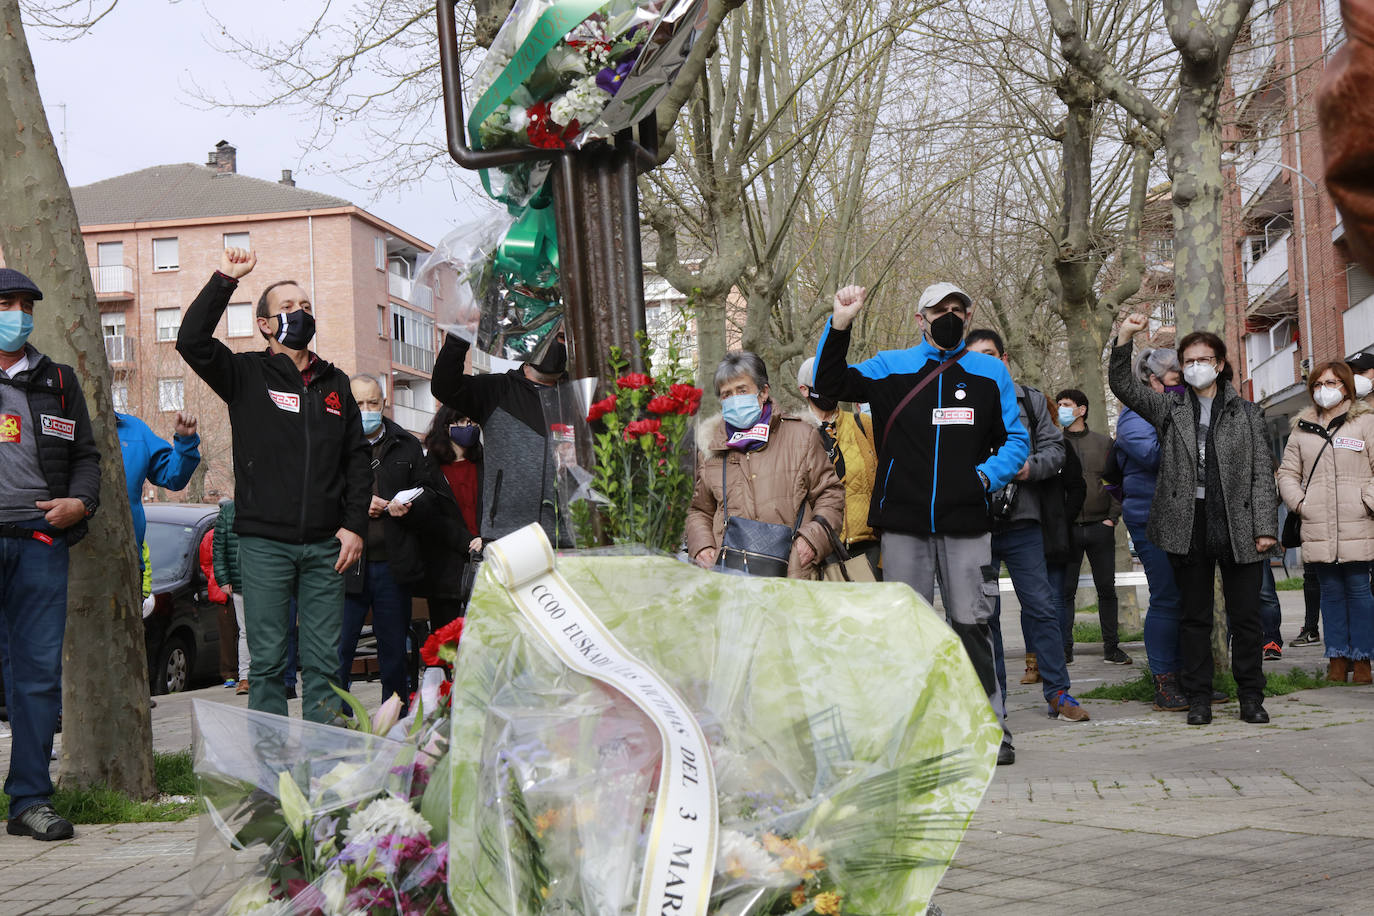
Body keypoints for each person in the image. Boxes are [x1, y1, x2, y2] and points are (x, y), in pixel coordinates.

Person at [813, 283, 1031, 764]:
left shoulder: (990, 372)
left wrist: (982, 478)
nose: (948, 316)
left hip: (966, 522)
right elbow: (828, 387)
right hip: (904, 522)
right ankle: (907, 736)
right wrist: (841, 322)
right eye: (938, 310)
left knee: (972, 623)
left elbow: (1016, 440)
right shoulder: (891, 365)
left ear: (969, 316)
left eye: (957, 309)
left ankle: (990, 728)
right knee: (905, 630)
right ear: (920, 318)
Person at [176, 247, 369, 724]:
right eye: (287, 309)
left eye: (305, 307)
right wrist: (227, 279)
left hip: (328, 546)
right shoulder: (245, 374)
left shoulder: (335, 383)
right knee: (266, 665)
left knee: (324, 666)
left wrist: (354, 526)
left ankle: (324, 774)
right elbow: (191, 340)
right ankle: (269, 774)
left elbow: (358, 460)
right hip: (264, 544)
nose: (299, 314)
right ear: (264, 324)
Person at [1110, 313, 1277, 726]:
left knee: (1246, 617)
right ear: (1181, 368)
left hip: (1238, 524)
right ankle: (1198, 698)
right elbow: (1124, 387)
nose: (1196, 365)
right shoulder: (1170, 408)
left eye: (1204, 358)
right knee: (1194, 616)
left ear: (1220, 363)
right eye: (1188, 360)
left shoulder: (1248, 414)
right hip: (1188, 522)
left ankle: (1251, 697)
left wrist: (1264, 528)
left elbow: (1261, 474)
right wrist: (1124, 339)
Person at [0, 268, 100, 841]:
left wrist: (81, 502)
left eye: (24, 305)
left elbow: (86, 455)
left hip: (40, 541)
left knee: (38, 679)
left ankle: (29, 800)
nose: (17, 314)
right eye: (6, 303)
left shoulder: (57, 380)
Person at [965, 330, 1089, 731]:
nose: (982, 362)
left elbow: (1057, 452)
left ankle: (1058, 692)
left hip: (1023, 522)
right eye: (973, 357)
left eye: (989, 355)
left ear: (1005, 357)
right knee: (985, 617)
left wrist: (1027, 467)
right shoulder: (956, 399)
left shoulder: (1031, 400)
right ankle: (993, 699)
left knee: (1041, 608)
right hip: (975, 524)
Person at [686, 351, 843, 579]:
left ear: (763, 392)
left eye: (742, 390)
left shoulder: (801, 436)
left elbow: (831, 494)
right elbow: (699, 510)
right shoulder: (712, 450)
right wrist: (702, 547)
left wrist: (811, 541)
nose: (735, 399)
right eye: (726, 394)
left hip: (794, 576)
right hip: (731, 580)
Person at [337, 375, 435, 706]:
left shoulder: (406, 444)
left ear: (384, 403)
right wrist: (357, 505)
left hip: (394, 565)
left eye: (372, 403)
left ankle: (395, 720)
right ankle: (335, 715)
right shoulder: (334, 443)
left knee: (394, 651)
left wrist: (407, 505)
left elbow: (429, 494)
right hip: (346, 565)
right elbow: (319, 497)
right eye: (359, 403)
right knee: (339, 649)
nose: (366, 410)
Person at [1276, 361, 1374, 685]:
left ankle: (1362, 660)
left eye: (1330, 382)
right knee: (1330, 593)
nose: (1323, 389)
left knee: (1360, 592)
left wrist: (1366, 502)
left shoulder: (1366, 423)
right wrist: (1301, 504)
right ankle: (1336, 657)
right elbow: (1287, 473)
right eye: (1317, 383)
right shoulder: (1302, 428)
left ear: (1346, 386)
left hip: (1357, 523)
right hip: (1317, 525)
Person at [431, 329, 576, 547]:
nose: (555, 344)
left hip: (569, 540)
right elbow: (445, 386)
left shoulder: (580, 396)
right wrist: (460, 334)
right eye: (548, 334)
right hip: (506, 537)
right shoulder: (498, 389)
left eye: (562, 338)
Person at [1114, 347, 1188, 710]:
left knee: (1186, 598)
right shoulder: (1133, 417)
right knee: (1167, 596)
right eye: (1175, 381)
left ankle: (1189, 677)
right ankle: (1164, 681)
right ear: (1153, 381)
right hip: (1150, 515)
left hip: (1185, 513)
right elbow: (1158, 457)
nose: (1182, 388)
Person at [1053, 387, 1130, 665]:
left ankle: (1112, 648)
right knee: (1065, 592)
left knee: (1106, 589)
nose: (1061, 408)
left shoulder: (1104, 444)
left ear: (1082, 410)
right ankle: (1064, 649)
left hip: (1100, 526)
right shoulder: (1053, 444)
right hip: (1067, 529)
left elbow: (1116, 483)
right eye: (1058, 404)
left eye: (1066, 404)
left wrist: (1112, 517)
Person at [795, 357, 880, 574]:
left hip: (866, 546)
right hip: (819, 550)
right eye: (822, 382)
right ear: (804, 390)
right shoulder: (794, 434)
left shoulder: (863, 425)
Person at [420, 406, 481, 629]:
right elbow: (430, 517)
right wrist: (466, 541)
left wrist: (484, 538)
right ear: (446, 427)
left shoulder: (486, 463)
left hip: (486, 560)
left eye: (473, 422)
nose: (469, 427)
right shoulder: (428, 468)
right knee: (447, 642)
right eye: (463, 421)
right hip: (445, 569)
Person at [212, 497, 250, 695]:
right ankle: (245, 676)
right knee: (245, 631)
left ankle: (250, 676)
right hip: (240, 580)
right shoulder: (227, 512)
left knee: (254, 630)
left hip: (257, 578)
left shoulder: (228, 511)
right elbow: (218, 548)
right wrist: (223, 578)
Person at [196, 526, 235, 687]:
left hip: (231, 588)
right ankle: (230, 673)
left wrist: (214, 577)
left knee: (233, 633)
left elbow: (206, 564)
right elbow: (205, 563)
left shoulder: (213, 535)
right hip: (224, 591)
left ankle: (235, 672)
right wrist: (215, 578)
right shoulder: (211, 536)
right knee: (228, 634)